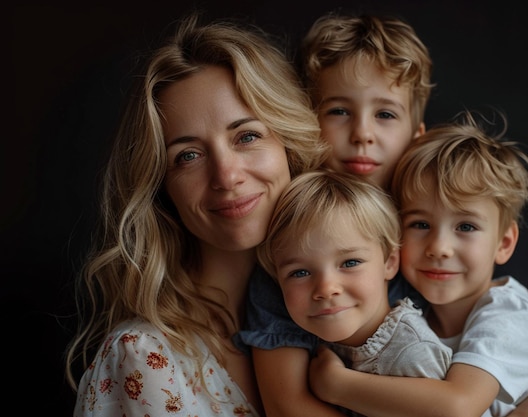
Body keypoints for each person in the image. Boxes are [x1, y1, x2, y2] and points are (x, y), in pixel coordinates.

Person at [239, 12, 528, 417]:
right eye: (339, 111)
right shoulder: (295, 257)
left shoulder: (432, 235)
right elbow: (290, 407)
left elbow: (490, 358)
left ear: (416, 136)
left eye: (385, 114)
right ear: (308, 121)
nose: (362, 133)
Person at [64, 12, 329, 417]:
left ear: (289, 147)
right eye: (187, 155)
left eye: (247, 136)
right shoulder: (145, 359)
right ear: (161, 188)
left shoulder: (345, 317)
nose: (226, 176)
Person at [306, 110, 528, 417]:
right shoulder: (410, 310)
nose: (439, 248)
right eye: (420, 225)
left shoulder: (505, 311)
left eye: (465, 227)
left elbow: (457, 406)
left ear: (504, 243)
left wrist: (337, 384)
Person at [256, 170, 452, 397]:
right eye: (299, 272)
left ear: (389, 262)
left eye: (350, 263)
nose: (326, 289)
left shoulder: (414, 353)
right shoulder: (315, 347)